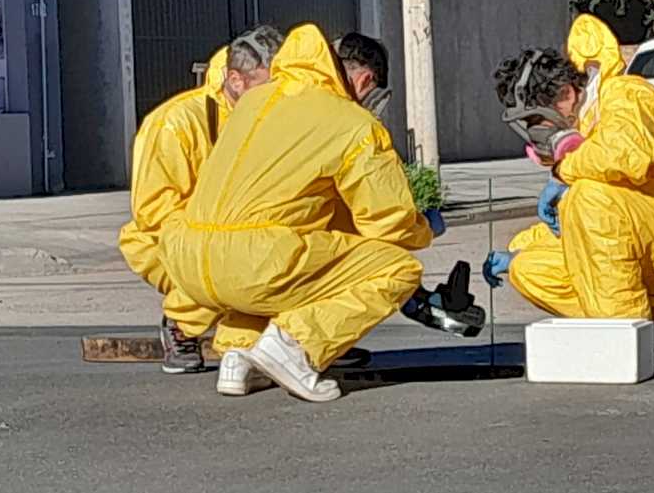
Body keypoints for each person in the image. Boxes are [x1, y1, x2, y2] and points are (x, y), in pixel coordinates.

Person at [159, 23, 442, 401]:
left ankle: (239, 354)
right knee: (397, 268)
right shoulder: (351, 122)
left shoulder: (258, 99)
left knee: (284, 256)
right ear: (365, 81)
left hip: (188, 261)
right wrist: (424, 227)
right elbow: (388, 220)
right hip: (254, 262)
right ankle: (294, 347)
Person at [483, 14, 654, 365]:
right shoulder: (590, 125)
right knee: (530, 267)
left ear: (566, 94)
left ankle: (629, 345)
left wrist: (563, 172)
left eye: (536, 121)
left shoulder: (626, 96)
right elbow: (599, 226)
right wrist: (518, 252)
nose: (538, 133)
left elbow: (625, 157)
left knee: (589, 199)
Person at [118, 24, 284, 374]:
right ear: (236, 81)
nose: (278, 95)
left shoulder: (265, 119)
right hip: (170, 240)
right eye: (268, 85)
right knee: (229, 257)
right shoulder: (177, 122)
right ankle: (180, 323)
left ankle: (287, 336)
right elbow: (154, 210)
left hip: (233, 236)